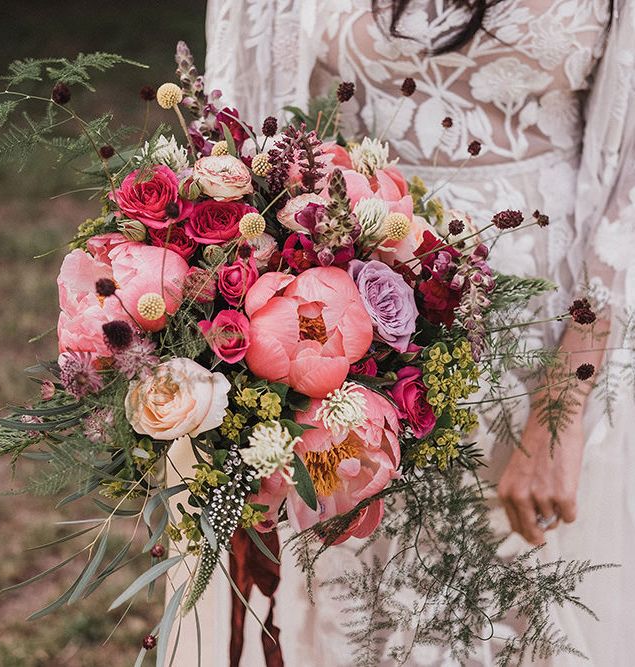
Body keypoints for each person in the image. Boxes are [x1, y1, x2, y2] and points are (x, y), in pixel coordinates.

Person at [167, 0, 635, 664]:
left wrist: (562, 404)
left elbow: (629, 185)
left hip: (541, 342)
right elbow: (237, 141)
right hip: (345, 335)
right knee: (359, 604)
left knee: (518, 612)